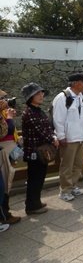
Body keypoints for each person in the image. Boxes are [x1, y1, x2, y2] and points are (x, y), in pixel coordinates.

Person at [21, 83, 59, 215]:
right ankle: (32, 206)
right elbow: (40, 130)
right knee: (34, 178)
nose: (41, 95)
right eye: (37, 93)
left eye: (41, 93)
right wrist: (53, 138)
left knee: (40, 177)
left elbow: (47, 127)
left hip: (41, 151)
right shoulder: (29, 112)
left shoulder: (38, 110)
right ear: (30, 97)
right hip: (34, 152)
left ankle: (35, 202)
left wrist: (52, 135)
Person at [52, 73, 83, 202]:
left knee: (78, 164)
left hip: (79, 137)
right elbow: (58, 119)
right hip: (69, 138)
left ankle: (72, 185)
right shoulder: (62, 97)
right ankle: (65, 190)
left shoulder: (80, 97)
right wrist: (61, 136)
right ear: (75, 83)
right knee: (67, 165)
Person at [0, 92, 21, 224]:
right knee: (5, 181)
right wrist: (9, 117)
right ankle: (4, 215)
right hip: (3, 149)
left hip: (8, 148)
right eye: (2, 98)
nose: (5, 100)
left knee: (7, 180)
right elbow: (6, 131)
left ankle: (5, 213)